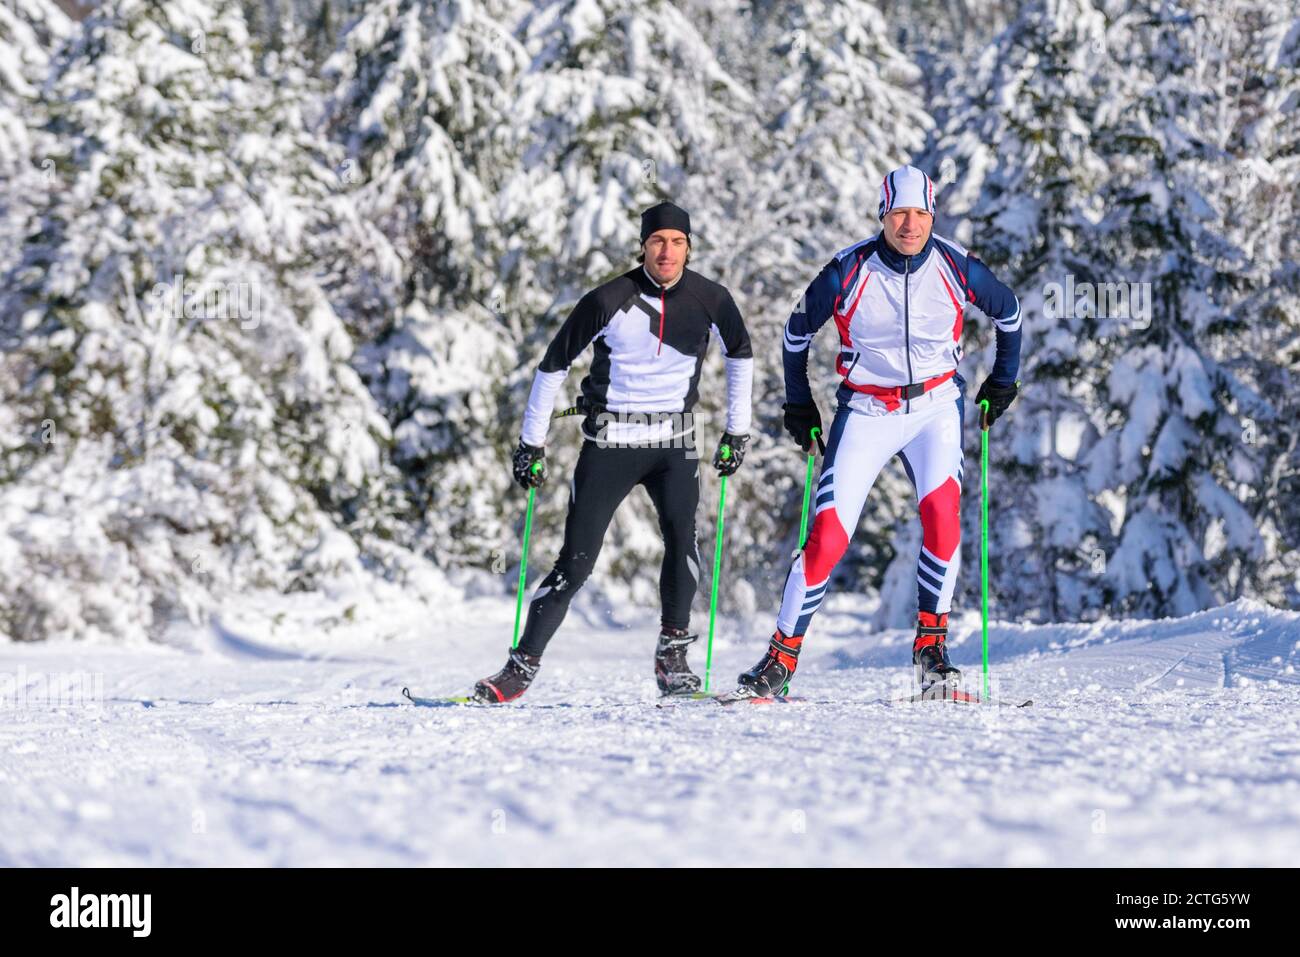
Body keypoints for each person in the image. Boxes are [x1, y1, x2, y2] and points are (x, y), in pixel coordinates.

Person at [735, 165, 1022, 697]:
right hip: (867, 410)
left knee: (943, 521)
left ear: (932, 216)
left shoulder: (956, 265)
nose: (910, 225)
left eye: (920, 214)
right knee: (827, 538)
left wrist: (1003, 381)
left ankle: (931, 653)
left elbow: (1010, 313)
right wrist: (800, 404)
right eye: (899, 214)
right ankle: (780, 659)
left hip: (935, 408)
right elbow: (795, 334)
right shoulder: (847, 270)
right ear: (883, 215)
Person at [475, 201, 754, 703]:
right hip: (610, 443)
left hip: (675, 442)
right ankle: (520, 667)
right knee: (576, 563)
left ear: (689, 248)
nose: (667, 252)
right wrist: (531, 442)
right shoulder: (609, 298)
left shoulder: (711, 298)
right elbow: (553, 365)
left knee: (683, 542)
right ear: (643, 246)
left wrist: (738, 431)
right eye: (657, 241)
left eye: (677, 242)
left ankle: (672, 659)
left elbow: (741, 354)